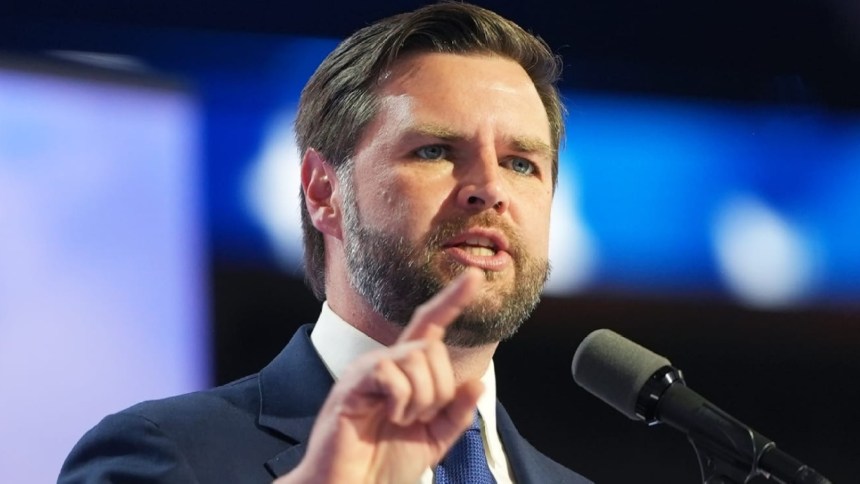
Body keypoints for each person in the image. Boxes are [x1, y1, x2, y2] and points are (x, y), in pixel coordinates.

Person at [59, 3, 591, 483]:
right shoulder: (165, 455)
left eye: (521, 163)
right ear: (324, 191)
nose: (490, 189)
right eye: (435, 151)